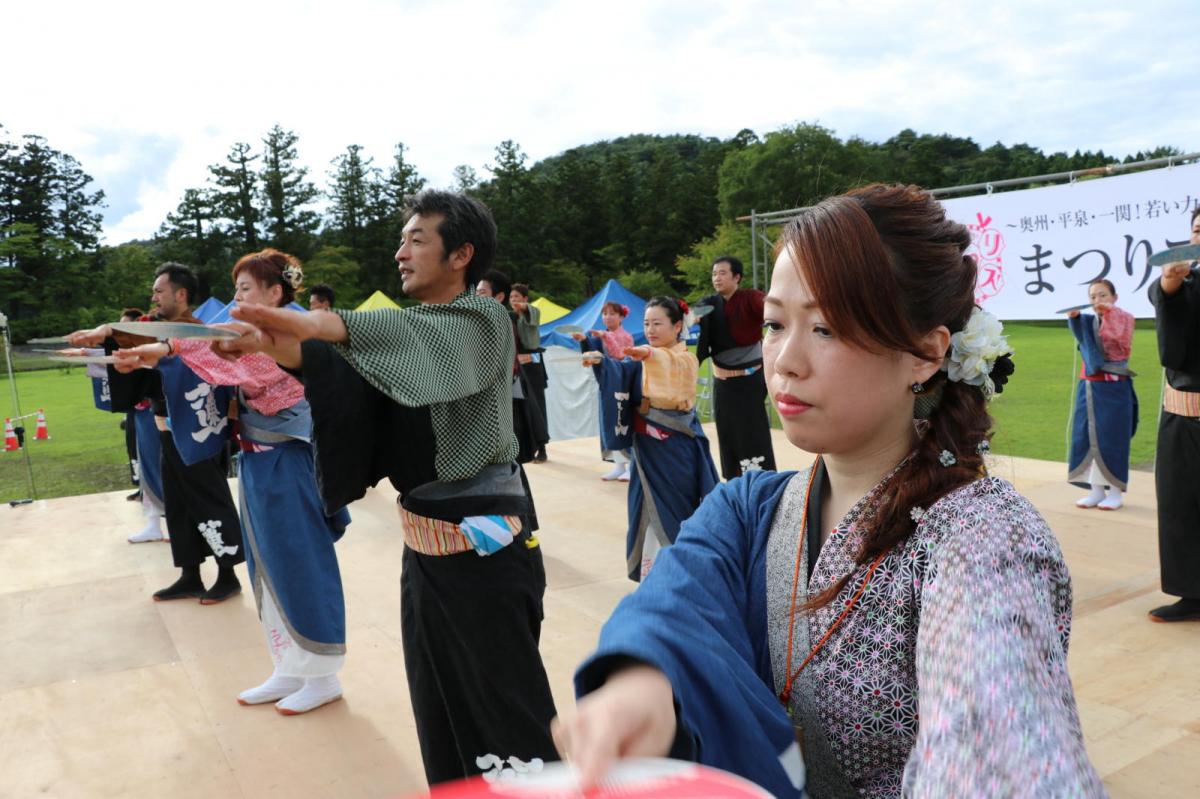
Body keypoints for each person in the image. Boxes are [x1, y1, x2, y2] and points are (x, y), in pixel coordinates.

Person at [553, 185, 1102, 798]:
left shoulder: (980, 542)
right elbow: (673, 604)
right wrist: (644, 683)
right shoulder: (749, 508)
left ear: (924, 354)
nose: (785, 360)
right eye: (775, 324)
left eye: (826, 328)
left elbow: (997, 753)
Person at [215, 190, 558, 784]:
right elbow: (341, 369)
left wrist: (319, 322)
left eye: (417, 239)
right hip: (426, 550)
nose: (400, 252)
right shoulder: (414, 330)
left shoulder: (483, 321)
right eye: (401, 239)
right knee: (442, 710)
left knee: (510, 723)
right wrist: (276, 343)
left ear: (461, 254)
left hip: (484, 551)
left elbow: (403, 342)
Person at [114, 250, 351, 714]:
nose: (237, 298)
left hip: (291, 458)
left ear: (276, 293)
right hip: (259, 459)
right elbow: (212, 345)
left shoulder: (295, 335)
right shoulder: (259, 334)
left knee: (300, 560)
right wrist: (156, 352)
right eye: (237, 288)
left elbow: (229, 354)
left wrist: (163, 351)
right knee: (267, 564)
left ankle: (323, 674)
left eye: (245, 289)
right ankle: (288, 665)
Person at [69, 263, 245, 603]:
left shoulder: (197, 333)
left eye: (159, 291)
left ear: (181, 294)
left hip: (194, 434)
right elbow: (122, 335)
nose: (153, 297)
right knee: (177, 503)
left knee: (209, 500)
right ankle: (190, 574)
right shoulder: (154, 329)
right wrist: (98, 339)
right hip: (166, 430)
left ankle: (228, 575)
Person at [587, 296, 719, 582]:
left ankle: (681, 577)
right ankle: (653, 579)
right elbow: (619, 372)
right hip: (645, 448)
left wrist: (648, 354)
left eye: (658, 323)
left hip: (675, 448)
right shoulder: (643, 357)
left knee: (676, 512)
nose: (651, 329)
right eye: (646, 323)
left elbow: (666, 364)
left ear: (677, 326)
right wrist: (599, 359)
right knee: (644, 510)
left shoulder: (684, 359)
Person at [1147, 207, 1200, 623]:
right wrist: (1169, 281)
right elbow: (1164, 295)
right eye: (1197, 230)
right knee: (1180, 503)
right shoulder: (1184, 282)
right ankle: (1192, 594)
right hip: (1182, 412)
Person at [696, 255, 777, 478]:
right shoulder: (710, 303)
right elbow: (698, 312)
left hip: (749, 380)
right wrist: (692, 317)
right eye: (714, 274)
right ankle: (734, 480)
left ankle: (762, 479)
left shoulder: (750, 298)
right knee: (727, 430)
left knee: (752, 431)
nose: (717, 277)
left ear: (737, 277)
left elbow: (771, 307)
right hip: (722, 381)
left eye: (722, 273)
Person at [1066, 279, 1138, 510]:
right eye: (1093, 296)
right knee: (1085, 436)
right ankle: (1096, 491)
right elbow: (1080, 333)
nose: (1098, 300)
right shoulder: (1088, 320)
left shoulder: (1124, 318)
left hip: (1114, 388)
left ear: (1114, 297)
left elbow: (1117, 338)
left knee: (1113, 438)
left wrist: (1110, 313)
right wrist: (1075, 318)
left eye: (1103, 295)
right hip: (1087, 387)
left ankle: (1115, 492)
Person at [476, 270, 550, 464]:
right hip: (490, 388)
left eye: (482, 292)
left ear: (499, 296)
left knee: (522, 423)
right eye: (476, 292)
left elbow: (532, 336)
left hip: (518, 378)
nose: (477, 296)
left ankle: (536, 450)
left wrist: (524, 309)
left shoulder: (513, 318)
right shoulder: (475, 319)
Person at [572, 301, 635, 480]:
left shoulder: (626, 336)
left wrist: (605, 336)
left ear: (622, 317)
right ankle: (619, 465)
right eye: (605, 314)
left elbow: (620, 354)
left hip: (623, 385)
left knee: (624, 422)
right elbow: (593, 353)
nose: (607, 317)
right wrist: (584, 340)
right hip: (607, 384)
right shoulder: (601, 336)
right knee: (609, 422)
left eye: (612, 314)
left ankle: (632, 465)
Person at [510, 283, 550, 463]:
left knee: (538, 405)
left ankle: (542, 447)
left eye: (517, 297)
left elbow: (531, 311)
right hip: (518, 366)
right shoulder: (509, 317)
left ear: (525, 299)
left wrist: (523, 307)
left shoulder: (532, 312)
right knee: (521, 407)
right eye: (511, 298)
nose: (514, 301)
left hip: (533, 365)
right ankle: (526, 446)